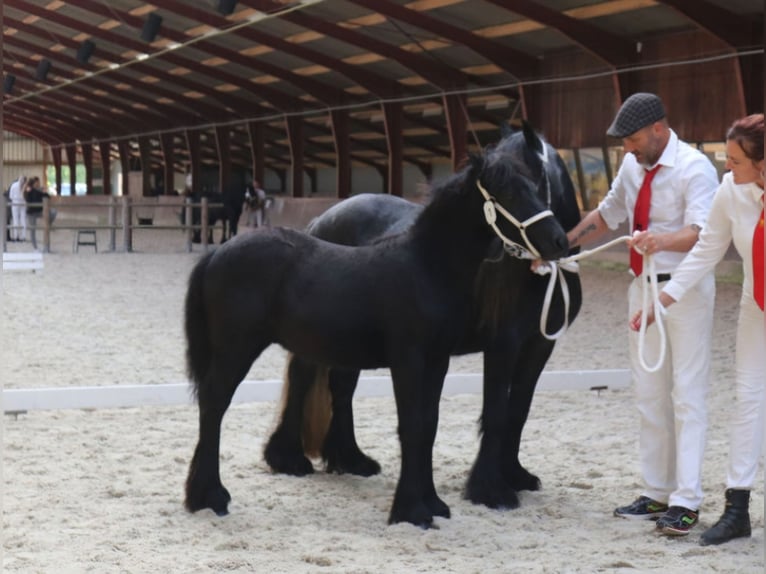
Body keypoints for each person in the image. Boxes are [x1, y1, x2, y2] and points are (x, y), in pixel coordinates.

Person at [566, 93, 719, 536]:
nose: (627, 149)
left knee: (687, 395)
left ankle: (686, 500)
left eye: (632, 139)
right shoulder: (633, 166)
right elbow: (608, 214)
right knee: (649, 393)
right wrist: (564, 242)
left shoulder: (694, 168)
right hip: (642, 287)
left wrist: (660, 241)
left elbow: (702, 232)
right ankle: (656, 491)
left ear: (658, 128)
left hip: (684, 289)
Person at [630, 113, 765, 546]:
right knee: (748, 400)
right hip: (756, 305)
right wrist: (661, 304)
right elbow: (707, 250)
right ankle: (737, 510)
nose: (728, 169)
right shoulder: (732, 191)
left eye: (736, 162)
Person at [24, 176, 55, 250]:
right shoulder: (29, 190)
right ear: (34, 183)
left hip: (39, 211)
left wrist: (44, 192)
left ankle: (49, 223)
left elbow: (47, 196)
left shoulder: (39, 190)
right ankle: (35, 247)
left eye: (39, 182)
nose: (38, 184)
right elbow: (28, 197)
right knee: (32, 229)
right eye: (37, 182)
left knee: (53, 212)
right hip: (31, 212)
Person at [8, 175, 27, 242]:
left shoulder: (13, 185)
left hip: (15, 202)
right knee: (23, 219)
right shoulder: (25, 186)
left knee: (15, 219)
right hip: (23, 202)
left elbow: (10, 196)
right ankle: (23, 236)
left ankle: (16, 236)